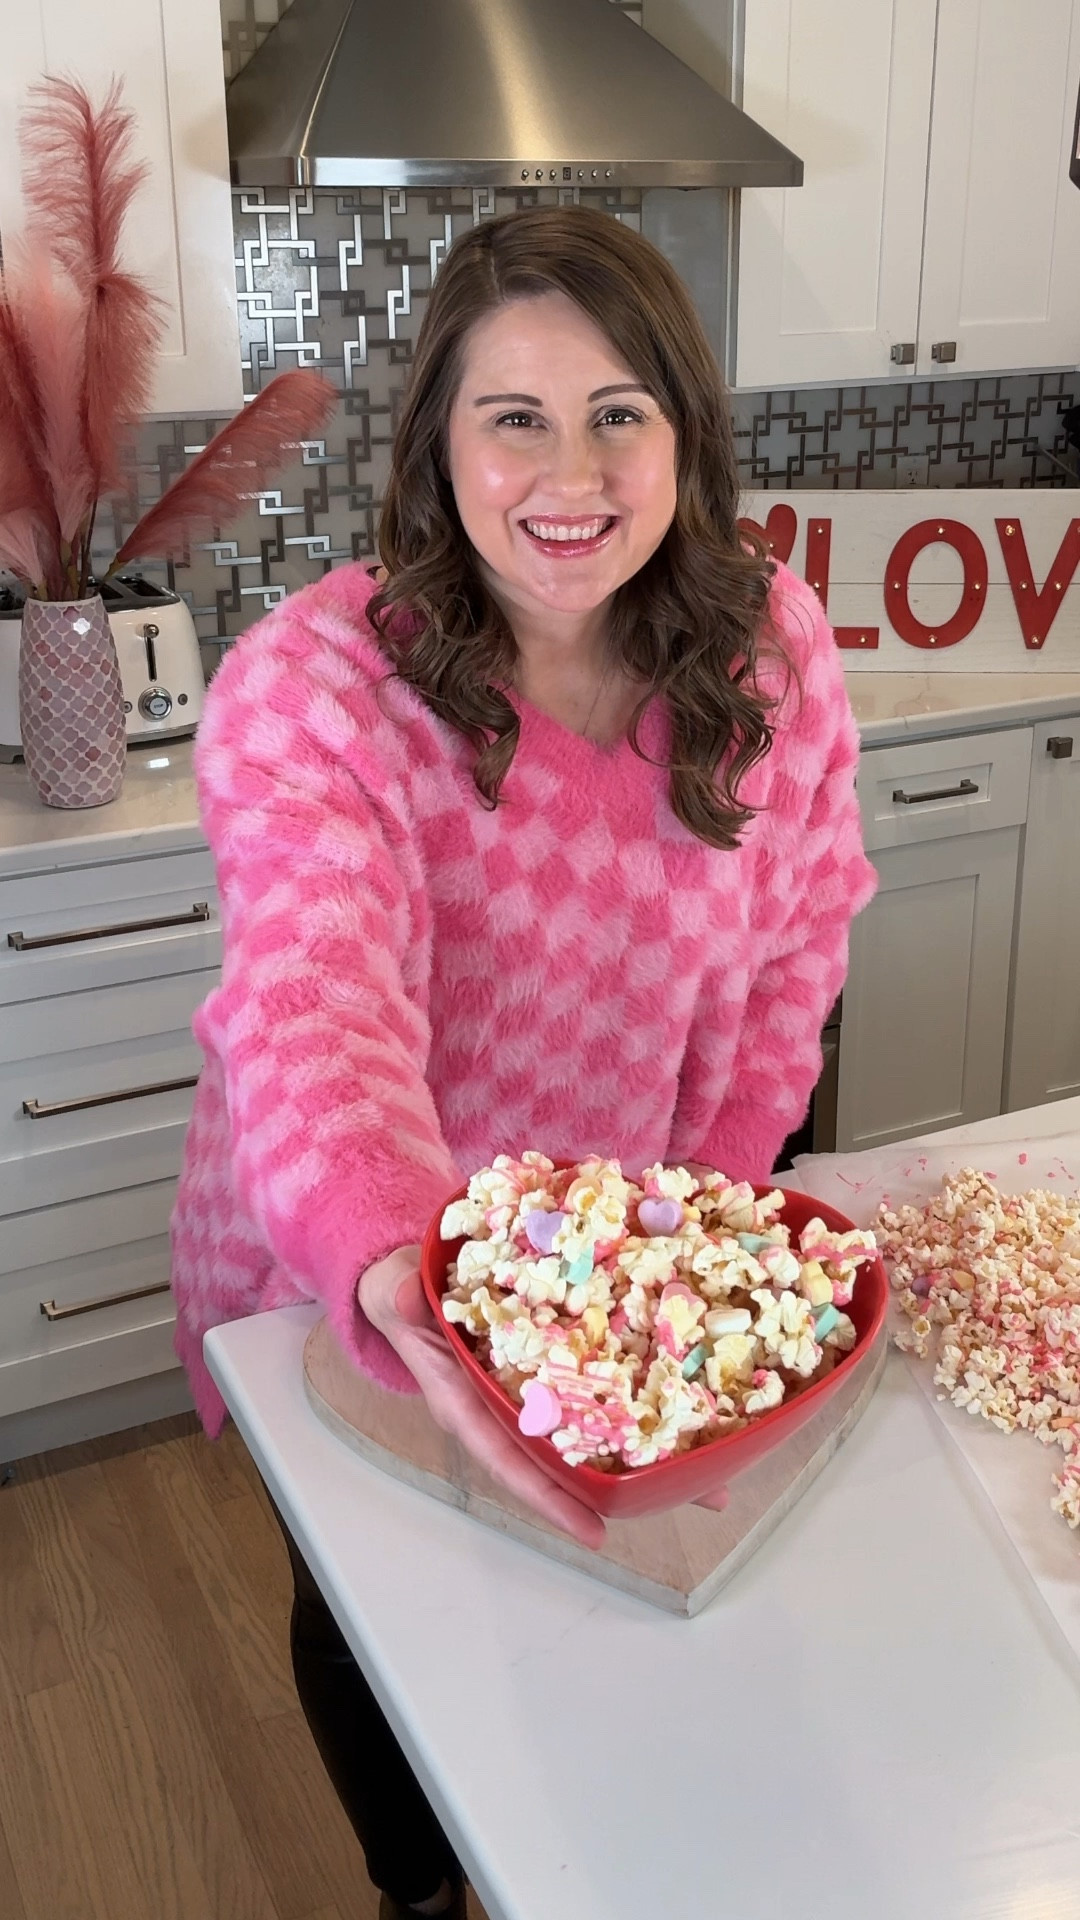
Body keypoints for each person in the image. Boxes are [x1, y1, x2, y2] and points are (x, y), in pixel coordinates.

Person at [170, 204, 877, 1919]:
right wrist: (407, 1260)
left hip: (616, 1253)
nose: (572, 470)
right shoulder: (319, 689)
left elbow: (797, 955)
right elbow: (311, 993)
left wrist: (687, 1230)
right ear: (439, 446)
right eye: (516, 418)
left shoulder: (772, 654)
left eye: (620, 411)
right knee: (374, 1599)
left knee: (582, 1617)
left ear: (685, 436)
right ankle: (419, 1895)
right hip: (347, 1244)